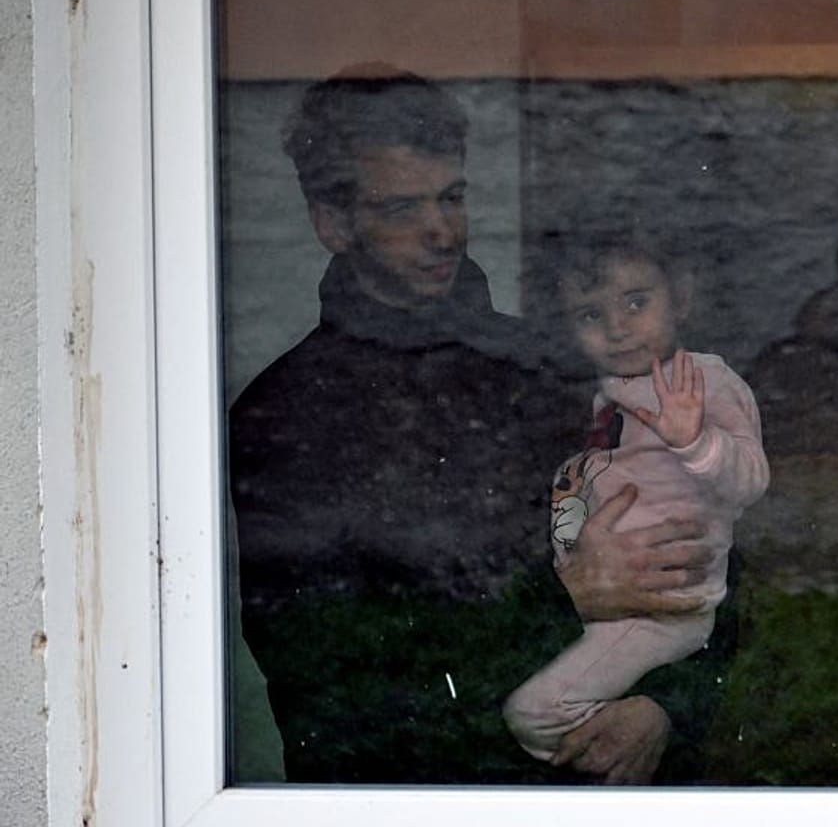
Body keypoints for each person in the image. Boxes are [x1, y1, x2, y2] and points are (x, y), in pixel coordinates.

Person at [228, 65, 729, 785]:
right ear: (333, 223)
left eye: (452, 197)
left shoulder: (547, 368)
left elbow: (710, 551)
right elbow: (328, 679)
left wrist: (667, 709)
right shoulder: (283, 417)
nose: (442, 231)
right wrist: (561, 595)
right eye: (402, 208)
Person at [503, 237, 769, 760]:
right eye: (589, 315)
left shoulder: (703, 382)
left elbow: (750, 482)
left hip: (659, 609)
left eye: (635, 302)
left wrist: (695, 441)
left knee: (531, 713)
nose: (617, 328)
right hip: (603, 603)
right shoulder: (609, 394)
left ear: (681, 297)